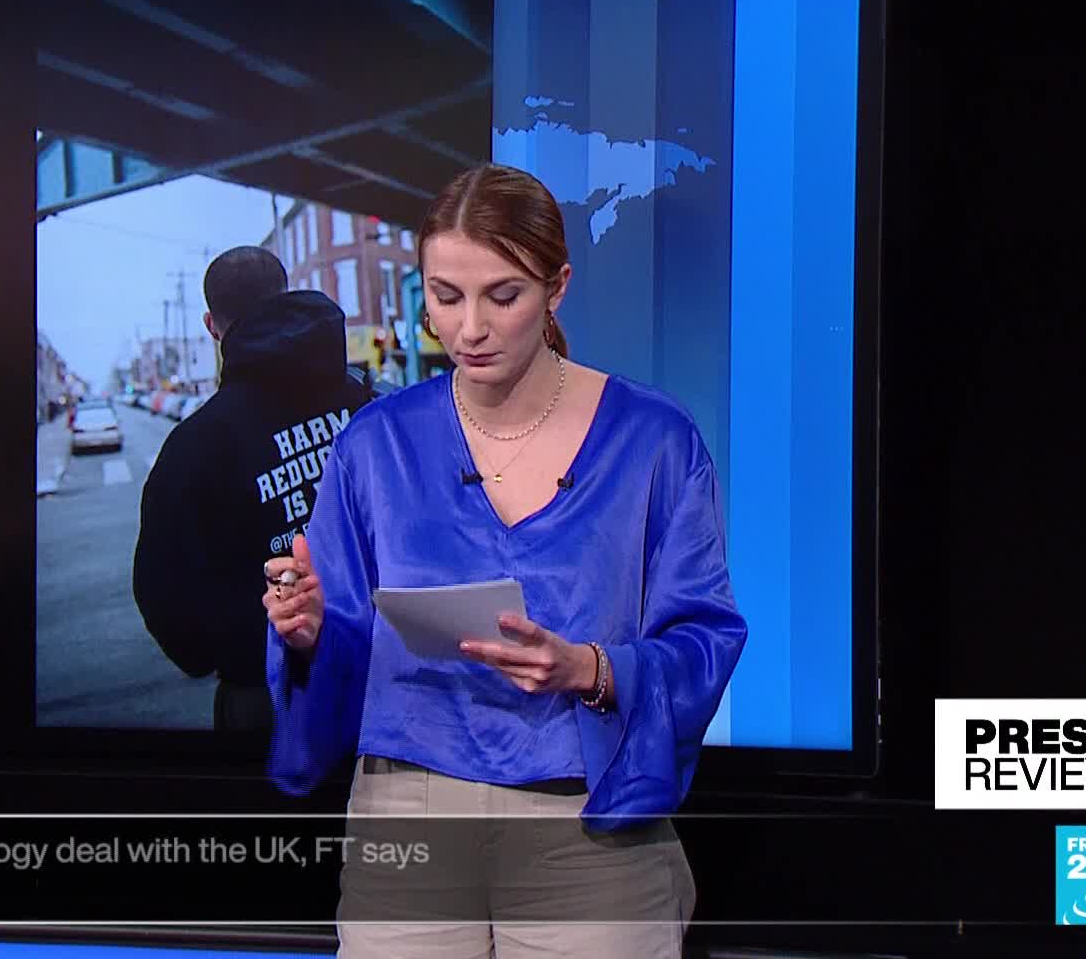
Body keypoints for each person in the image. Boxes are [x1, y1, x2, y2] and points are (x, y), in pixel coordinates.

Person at [261, 164, 747, 956]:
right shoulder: (374, 446)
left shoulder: (655, 440)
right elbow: (341, 642)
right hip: (409, 822)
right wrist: (309, 630)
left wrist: (589, 669)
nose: (470, 329)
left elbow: (704, 639)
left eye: (503, 295)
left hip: (588, 821)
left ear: (557, 288)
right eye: (446, 296)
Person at [133, 246, 374, 735]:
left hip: (269, 696)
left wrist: (232, 650)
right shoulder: (363, 403)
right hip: (380, 668)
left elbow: (164, 595)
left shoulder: (195, 446)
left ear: (211, 326)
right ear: (284, 296)